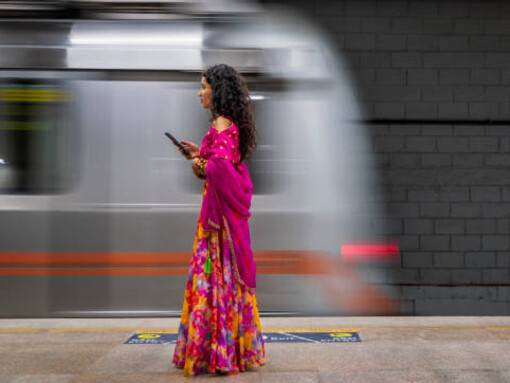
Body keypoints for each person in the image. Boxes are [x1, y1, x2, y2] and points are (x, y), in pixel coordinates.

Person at [172, 64, 266, 376]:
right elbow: (222, 162)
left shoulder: (223, 123)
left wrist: (199, 162)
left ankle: (214, 353)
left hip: (216, 228)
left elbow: (220, 170)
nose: (199, 93)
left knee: (211, 281)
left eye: (203, 87)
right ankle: (229, 348)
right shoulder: (226, 125)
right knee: (220, 284)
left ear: (217, 91)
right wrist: (200, 154)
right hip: (220, 222)